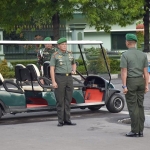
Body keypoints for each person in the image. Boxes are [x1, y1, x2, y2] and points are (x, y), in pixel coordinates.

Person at [120, 33, 149, 137]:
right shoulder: (143, 55)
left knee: (133, 106)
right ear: (135, 43)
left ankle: (134, 130)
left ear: (127, 42)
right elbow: (146, 72)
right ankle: (141, 130)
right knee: (140, 105)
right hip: (141, 81)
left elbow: (124, 71)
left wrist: (124, 86)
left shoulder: (125, 55)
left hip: (131, 82)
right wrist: (146, 85)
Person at [50, 37, 77, 127]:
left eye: (65, 44)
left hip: (69, 78)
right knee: (60, 100)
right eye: (62, 44)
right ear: (58, 46)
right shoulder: (55, 55)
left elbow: (73, 63)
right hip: (60, 77)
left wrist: (73, 70)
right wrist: (53, 81)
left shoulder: (69, 54)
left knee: (68, 99)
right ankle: (60, 120)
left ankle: (67, 120)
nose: (64, 46)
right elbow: (52, 68)